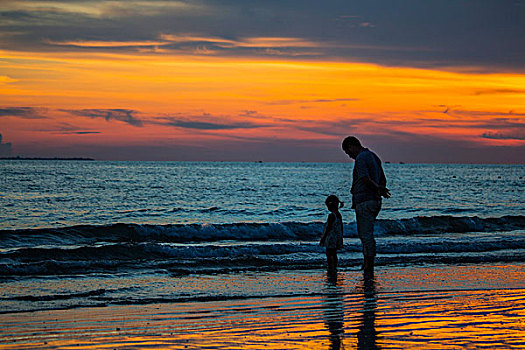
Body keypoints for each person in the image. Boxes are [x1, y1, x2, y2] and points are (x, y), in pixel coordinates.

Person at [342, 136, 390, 278]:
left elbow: (364, 178)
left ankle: (368, 264)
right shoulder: (373, 156)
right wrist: (380, 189)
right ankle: (368, 262)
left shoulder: (361, 158)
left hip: (365, 200)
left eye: (347, 151)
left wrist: (377, 189)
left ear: (352, 146)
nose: (349, 155)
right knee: (367, 233)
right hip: (374, 201)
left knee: (365, 234)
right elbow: (382, 178)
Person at [320, 195, 344, 271]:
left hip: (331, 237)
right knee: (334, 253)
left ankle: (331, 265)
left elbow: (328, 228)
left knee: (329, 252)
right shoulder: (338, 215)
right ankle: (334, 265)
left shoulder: (331, 216)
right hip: (337, 237)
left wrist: (323, 238)